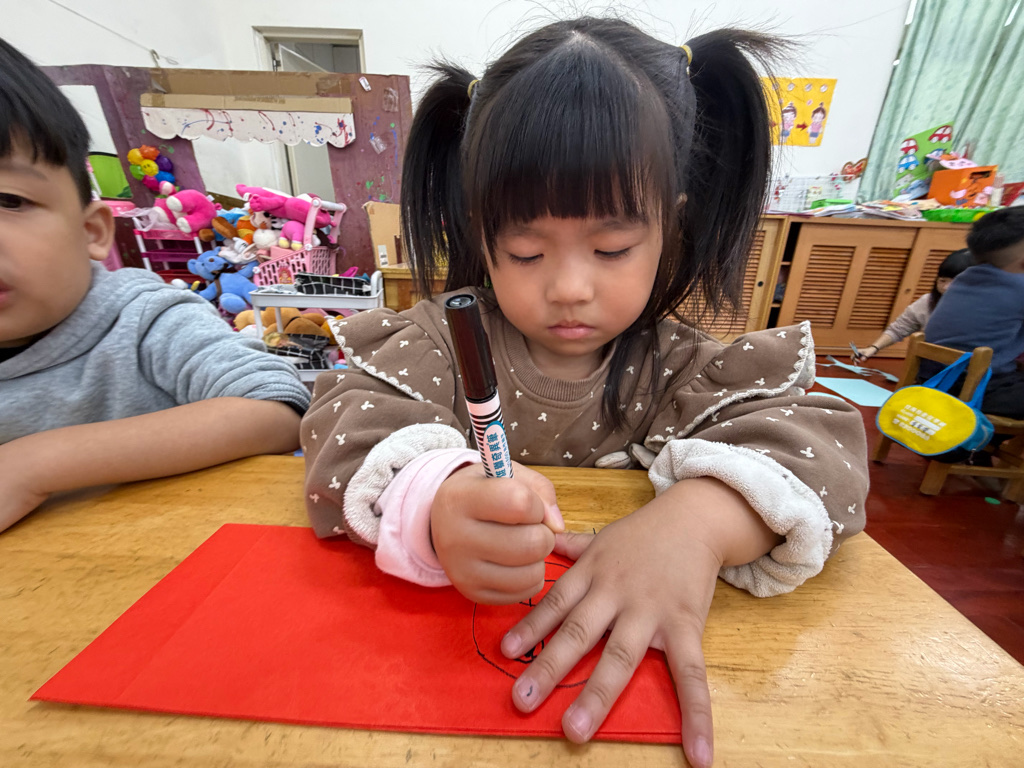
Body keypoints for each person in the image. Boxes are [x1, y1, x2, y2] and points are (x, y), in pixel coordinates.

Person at [302, 18, 869, 768]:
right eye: (524, 250)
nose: (569, 287)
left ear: (672, 225)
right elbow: (344, 422)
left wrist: (699, 524)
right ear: (480, 233)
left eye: (611, 248)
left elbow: (822, 453)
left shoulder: (683, 368)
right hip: (428, 690)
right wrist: (433, 497)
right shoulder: (440, 342)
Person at [0, 37, 311, 534]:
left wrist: (34, 464)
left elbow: (278, 408)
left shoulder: (144, 318)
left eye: (9, 200)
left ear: (92, 231)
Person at [924, 208, 1024, 419]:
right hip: (980, 388)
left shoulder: (965, 277)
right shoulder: (1019, 286)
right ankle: (982, 434)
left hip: (932, 377)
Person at [852, 248, 975, 362]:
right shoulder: (927, 301)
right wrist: (874, 348)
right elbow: (899, 328)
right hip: (930, 365)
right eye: (942, 280)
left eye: (954, 282)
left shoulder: (979, 308)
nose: (945, 287)